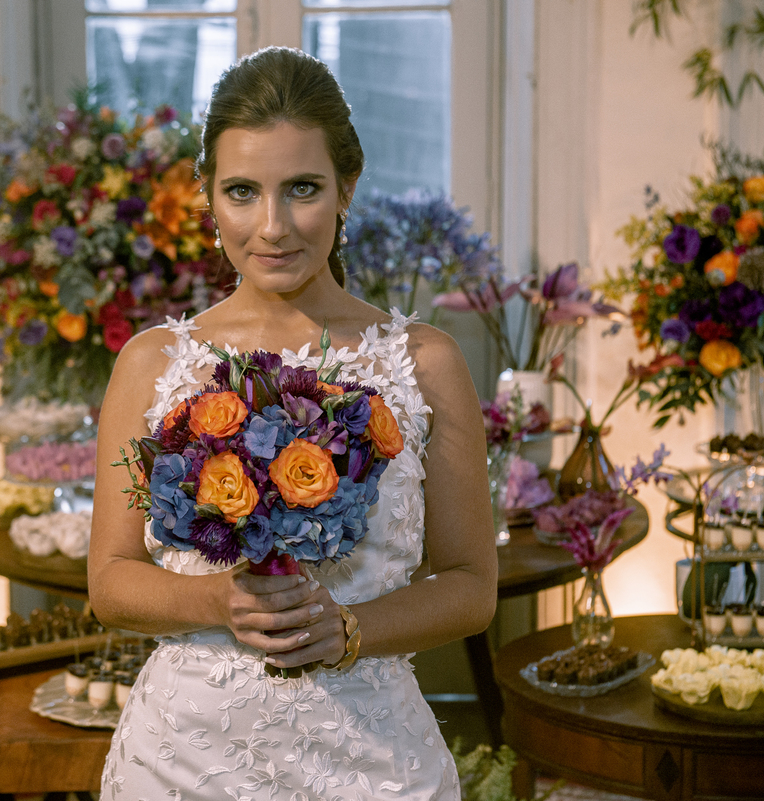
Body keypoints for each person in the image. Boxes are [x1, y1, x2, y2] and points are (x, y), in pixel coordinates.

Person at [89, 46, 497, 800]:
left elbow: (472, 585)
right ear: (208, 198)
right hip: (182, 760)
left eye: (302, 188)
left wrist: (351, 631)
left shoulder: (426, 362)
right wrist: (220, 601)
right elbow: (110, 583)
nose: (272, 226)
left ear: (348, 187)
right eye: (243, 190)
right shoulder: (151, 363)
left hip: (373, 760)